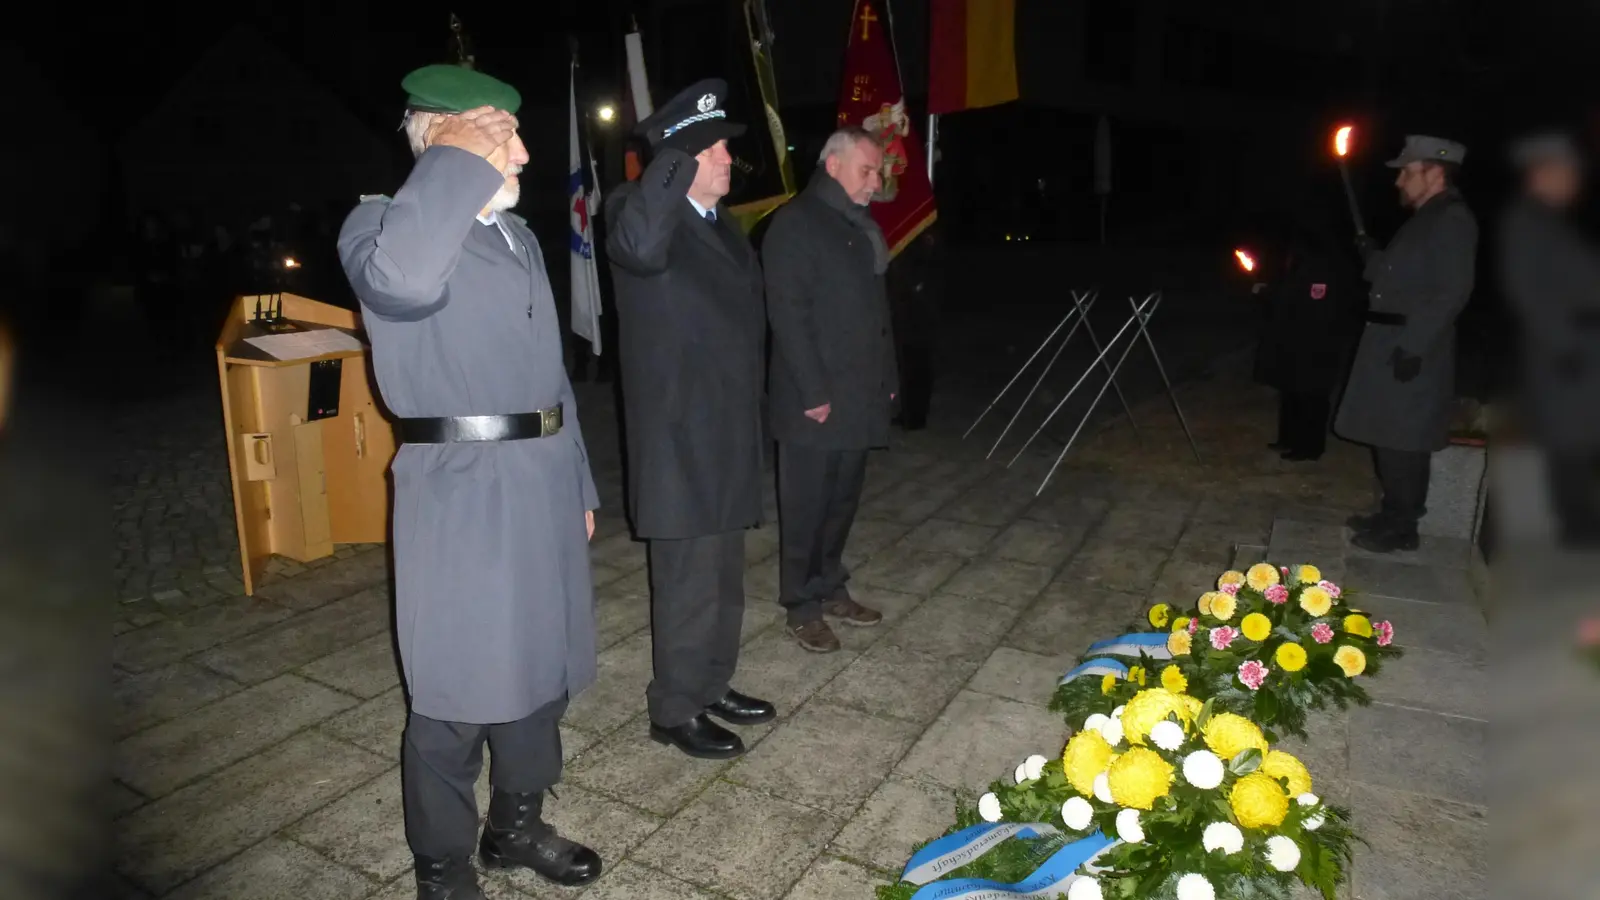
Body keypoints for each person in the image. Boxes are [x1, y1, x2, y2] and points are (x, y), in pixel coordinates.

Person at [337, 64, 603, 899]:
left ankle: (513, 828)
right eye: (502, 138)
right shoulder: (378, 227)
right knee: (455, 696)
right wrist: (453, 163)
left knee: (541, 672)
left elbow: (549, 375)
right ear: (444, 143)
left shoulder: (515, 237)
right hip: (461, 491)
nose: (524, 153)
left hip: (542, 480)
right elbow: (403, 283)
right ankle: (444, 864)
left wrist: (583, 485)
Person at [605, 79, 774, 759]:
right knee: (685, 582)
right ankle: (674, 707)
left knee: (723, 576)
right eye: (713, 149)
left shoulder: (721, 223)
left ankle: (712, 682)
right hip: (677, 435)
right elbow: (641, 248)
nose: (729, 158)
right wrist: (670, 158)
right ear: (679, 158)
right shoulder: (638, 211)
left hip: (728, 428)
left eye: (726, 147)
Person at [761, 127, 895, 652]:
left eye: (878, 171)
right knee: (806, 505)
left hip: (859, 393)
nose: (876, 181)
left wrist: (887, 380)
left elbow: (877, 316)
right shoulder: (795, 224)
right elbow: (788, 315)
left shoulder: (857, 227)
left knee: (841, 500)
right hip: (814, 399)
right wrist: (813, 391)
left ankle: (830, 585)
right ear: (833, 164)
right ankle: (801, 604)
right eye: (868, 170)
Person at [1335, 135, 1479, 553]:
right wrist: (1373, 258)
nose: (1399, 181)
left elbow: (1451, 291)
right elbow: (1405, 279)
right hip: (1390, 340)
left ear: (1434, 172)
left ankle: (1404, 526)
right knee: (1388, 433)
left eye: (1406, 172)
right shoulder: (1427, 217)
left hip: (1411, 344)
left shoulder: (1452, 218)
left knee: (1404, 438)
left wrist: (1414, 346)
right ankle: (1391, 511)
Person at [1500, 131, 1600, 547]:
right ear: (1543, 175)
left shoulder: (1552, 222)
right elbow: (1527, 290)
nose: (1574, 184)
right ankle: (1574, 533)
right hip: (1564, 354)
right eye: (1567, 175)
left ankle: (1576, 528)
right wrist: (1562, 345)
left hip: (1580, 348)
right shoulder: (1525, 222)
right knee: (1566, 443)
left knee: (1577, 442)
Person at [1252, 211, 1363, 461]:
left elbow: (1310, 300)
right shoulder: (1304, 261)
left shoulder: (1322, 264)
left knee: (1311, 394)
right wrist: (1269, 292)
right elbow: (1289, 292)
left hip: (1314, 342)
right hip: (1296, 339)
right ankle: (1289, 438)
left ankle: (1310, 446)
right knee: (1291, 390)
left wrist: (1270, 294)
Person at [888, 222, 941, 430]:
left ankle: (915, 417)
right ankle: (911, 414)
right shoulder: (914, 240)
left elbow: (920, 277)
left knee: (917, 367)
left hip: (918, 317)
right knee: (912, 366)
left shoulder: (923, 241)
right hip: (912, 315)